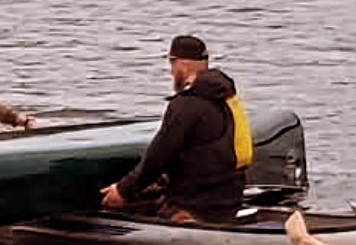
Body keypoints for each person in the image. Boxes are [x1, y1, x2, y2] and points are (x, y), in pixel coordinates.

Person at [100, 34, 250, 224]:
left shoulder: (187, 104)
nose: (172, 73)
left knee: (135, 207)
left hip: (194, 207)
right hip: (228, 200)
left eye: (172, 66)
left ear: (180, 64)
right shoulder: (225, 97)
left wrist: (123, 190)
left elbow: (158, 157)